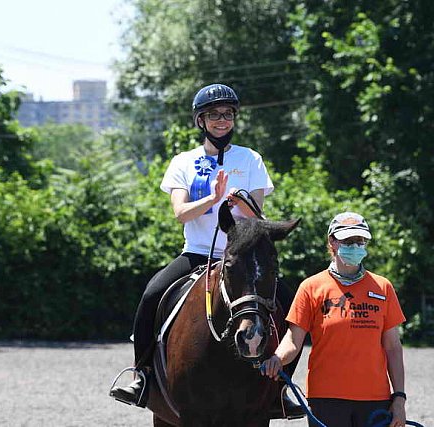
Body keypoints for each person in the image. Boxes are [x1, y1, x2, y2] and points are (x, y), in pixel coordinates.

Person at [110, 83, 303, 419]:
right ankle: (142, 376)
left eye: (227, 114)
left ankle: (282, 387)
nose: (221, 120)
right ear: (200, 120)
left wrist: (237, 199)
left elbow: (256, 215)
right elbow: (180, 213)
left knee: (291, 311)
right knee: (151, 294)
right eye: (214, 114)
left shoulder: (250, 158)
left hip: (241, 256)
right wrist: (212, 199)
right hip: (197, 253)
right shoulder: (184, 162)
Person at [262, 212, 408, 427]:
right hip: (326, 399)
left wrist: (399, 399)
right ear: (332, 241)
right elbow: (293, 340)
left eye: (360, 241)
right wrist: (276, 358)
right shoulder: (311, 287)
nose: (356, 246)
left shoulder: (383, 287)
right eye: (348, 241)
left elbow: (393, 348)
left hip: (375, 400)